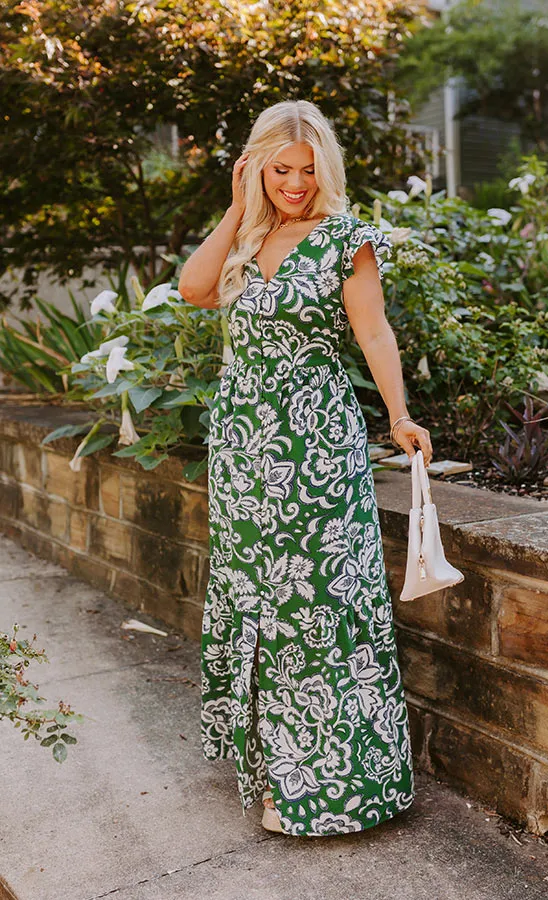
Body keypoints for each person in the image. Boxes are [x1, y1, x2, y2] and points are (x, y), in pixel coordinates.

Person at [178, 99, 433, 837]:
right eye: (280, 169)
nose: (294, 184)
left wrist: (399, 414)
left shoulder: (345, 239)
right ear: (258, 168)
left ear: (327, 169)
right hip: (242, 448)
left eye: (307, 170)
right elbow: (194, 289)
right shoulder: (251, 235)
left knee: (319, 603)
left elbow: (374, 330)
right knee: (259, 597)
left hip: (315, 446)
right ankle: (276, 777)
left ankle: (335, 787)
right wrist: (236, 206)